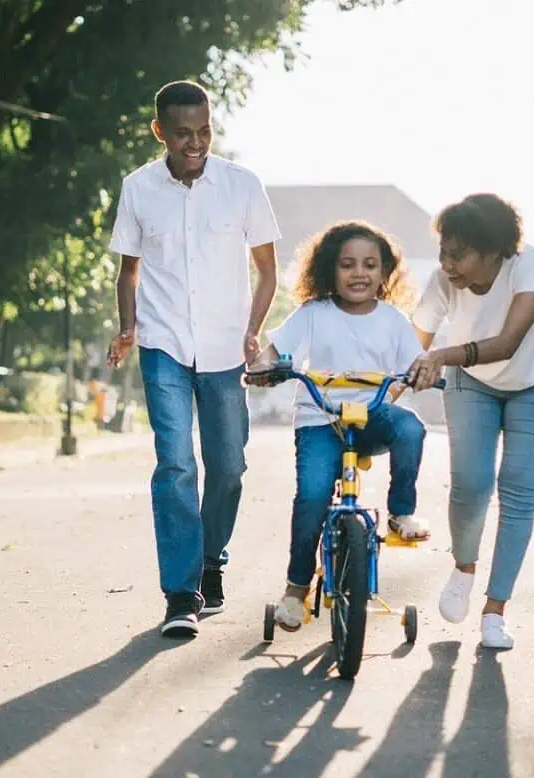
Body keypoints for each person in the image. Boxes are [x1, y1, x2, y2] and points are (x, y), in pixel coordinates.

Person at [105, 80, 281, 638]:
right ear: (160, 132)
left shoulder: (242, 185)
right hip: (163, 345)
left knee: (228, 467)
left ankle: (211, 561)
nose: (195, 142)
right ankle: (181, 592)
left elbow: (267, 269)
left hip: (227, 348)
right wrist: (129, 327)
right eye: (183, 134)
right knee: (176, 463)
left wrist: (253, 330)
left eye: (204, 131)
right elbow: (128, 270)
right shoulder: (138, 189)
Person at [248, 220, 430, 633]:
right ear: (331, 269)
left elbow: (412, 366)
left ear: (385, 273)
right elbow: (277, 350)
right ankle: (296, 588)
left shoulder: (394, 320)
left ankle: (401, 513)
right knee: (312, 496)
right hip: (320, 419)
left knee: (412, 429)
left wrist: (420, 374)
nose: (359, 273)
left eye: (370, 264)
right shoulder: (314, 313)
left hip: (372, 416)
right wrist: (263, 367)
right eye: (347, 265)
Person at [407, 193, 534, 650]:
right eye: (443, 251)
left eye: (458, 254)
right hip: (471, 383)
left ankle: (495, 611)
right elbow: (410, 345)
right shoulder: (443, 281)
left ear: (494, 250)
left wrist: (440, 355)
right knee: (471, 483)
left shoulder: (530, 267)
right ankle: (463, 568)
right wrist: (389, 386)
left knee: (518, 489)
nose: (447, 263)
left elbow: (507, 343)